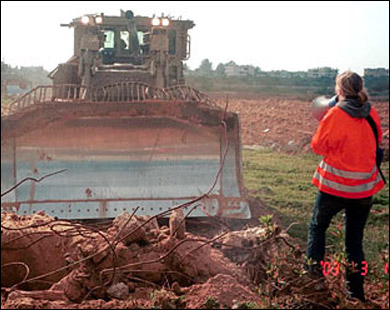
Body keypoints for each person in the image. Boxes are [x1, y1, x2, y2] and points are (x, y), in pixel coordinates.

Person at [306, 71, 385, 301]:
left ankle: (314, 283)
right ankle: (356, 293)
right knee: (354, 240)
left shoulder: (335, 114)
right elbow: (376, 141)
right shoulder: (371, 113)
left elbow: (318, 146)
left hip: (335, 187)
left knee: (317, 229)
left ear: (339, 90)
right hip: (363, 190)